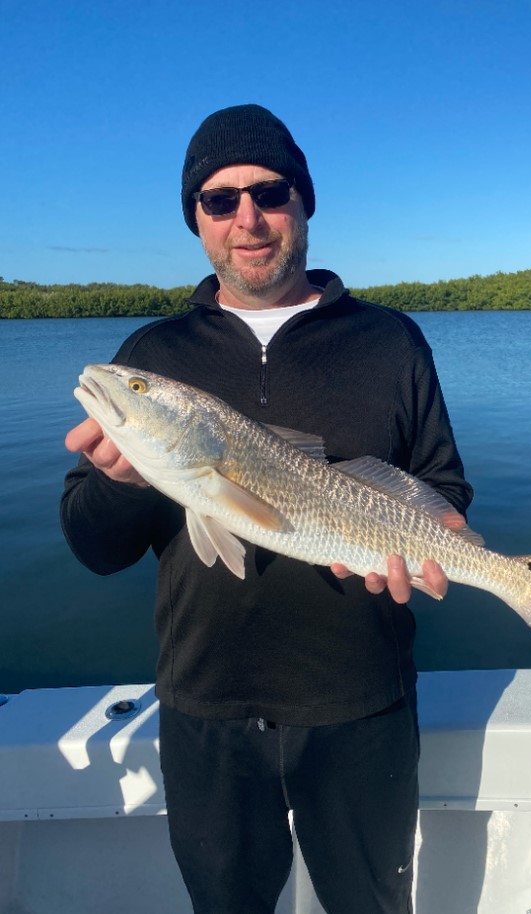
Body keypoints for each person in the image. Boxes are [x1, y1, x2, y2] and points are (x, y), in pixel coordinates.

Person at [61, 104, 473, 914]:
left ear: (304, 202)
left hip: (362, 704)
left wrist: (433, 538)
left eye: (270, 192)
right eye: (219, 200)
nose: (247, 218)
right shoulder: (153, 355)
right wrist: (121, 481)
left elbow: (443, 486)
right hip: (205, 708)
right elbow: (93, 548)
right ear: (197, 219)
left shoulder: (391, 341)